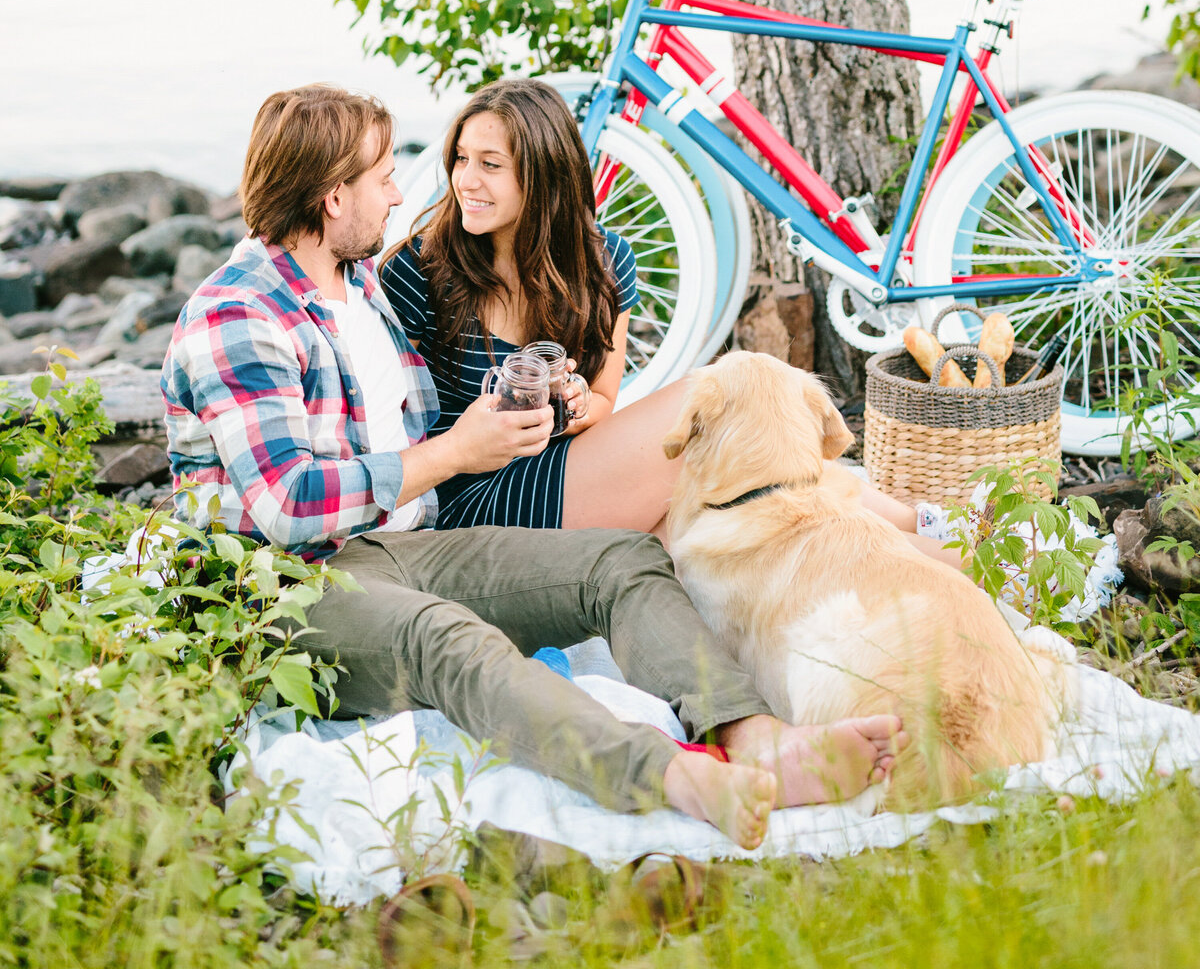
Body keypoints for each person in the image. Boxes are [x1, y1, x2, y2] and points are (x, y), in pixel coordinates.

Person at [162, 83, 907, 850]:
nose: (400, 191)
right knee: (442, 638)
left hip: (408, 541)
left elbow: (429, 406)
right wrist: (460, 452)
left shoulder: (358, 288)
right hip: (286, 581)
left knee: (621, 559)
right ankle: (666, 773)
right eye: (383, 175)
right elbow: (290, 504)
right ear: (330, 199)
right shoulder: (239, 312)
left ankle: (754, 738)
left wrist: (529, 408)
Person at [380, 80, 955, 559]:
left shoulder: (601, 262)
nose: (465, 180)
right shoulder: (418, 271)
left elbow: (604, 401)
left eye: (490, 165)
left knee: (766, 515)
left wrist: (575, 406)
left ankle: (956, 556)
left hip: (567, 468)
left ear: (544, 172)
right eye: (460, 159)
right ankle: (936, 528)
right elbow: (390, 436)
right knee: (728, 403)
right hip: (473, 500)